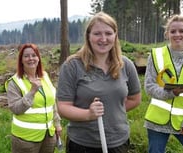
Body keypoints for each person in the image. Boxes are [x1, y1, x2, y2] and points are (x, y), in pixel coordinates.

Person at [56, 11, 142, 153]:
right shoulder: (72, 66)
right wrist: (88, 114)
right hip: (82, 144)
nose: (103, 39)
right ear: (88, 37)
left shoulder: (125, 64)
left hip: (118, 142)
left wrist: (112, 112)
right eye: (97, 34)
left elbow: (135, 99)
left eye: (108, 33)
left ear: (115, 36)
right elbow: (63, 107)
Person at [144, 14, 183, 153]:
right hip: (157, 121)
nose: (177, 34)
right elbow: (149, 87)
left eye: (181, 31)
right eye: (173, 31)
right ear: (166, 34)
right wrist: (170, 93)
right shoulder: (155, 55)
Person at [5, 43, 62, 153]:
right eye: (26, 56)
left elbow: (52, 104)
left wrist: (57, 124)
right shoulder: (15, 82)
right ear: (21, 60)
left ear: (38, 58)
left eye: (34, 55)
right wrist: (32, 92)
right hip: (25, 139)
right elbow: (15, 109)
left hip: (48, 136)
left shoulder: (44, 76)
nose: (31, 58)